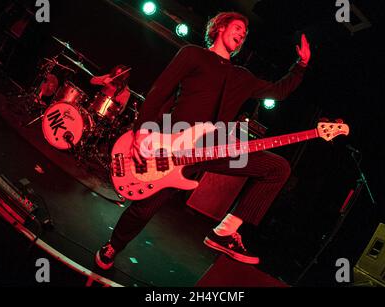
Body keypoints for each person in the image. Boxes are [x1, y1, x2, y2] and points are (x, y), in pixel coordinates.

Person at [95, 12, 311, 270]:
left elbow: (277, 91)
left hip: (214, 149)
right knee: (143, 209)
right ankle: (113, 246)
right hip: (174, 147)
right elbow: (160, 90)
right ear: (220, 27)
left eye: (245, 33)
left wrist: (301, 66)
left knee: (278, 168)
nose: (242, 34)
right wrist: (142, 131)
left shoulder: (241, 76)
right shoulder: (193, 54)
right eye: (238, 27)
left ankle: (224, 231)